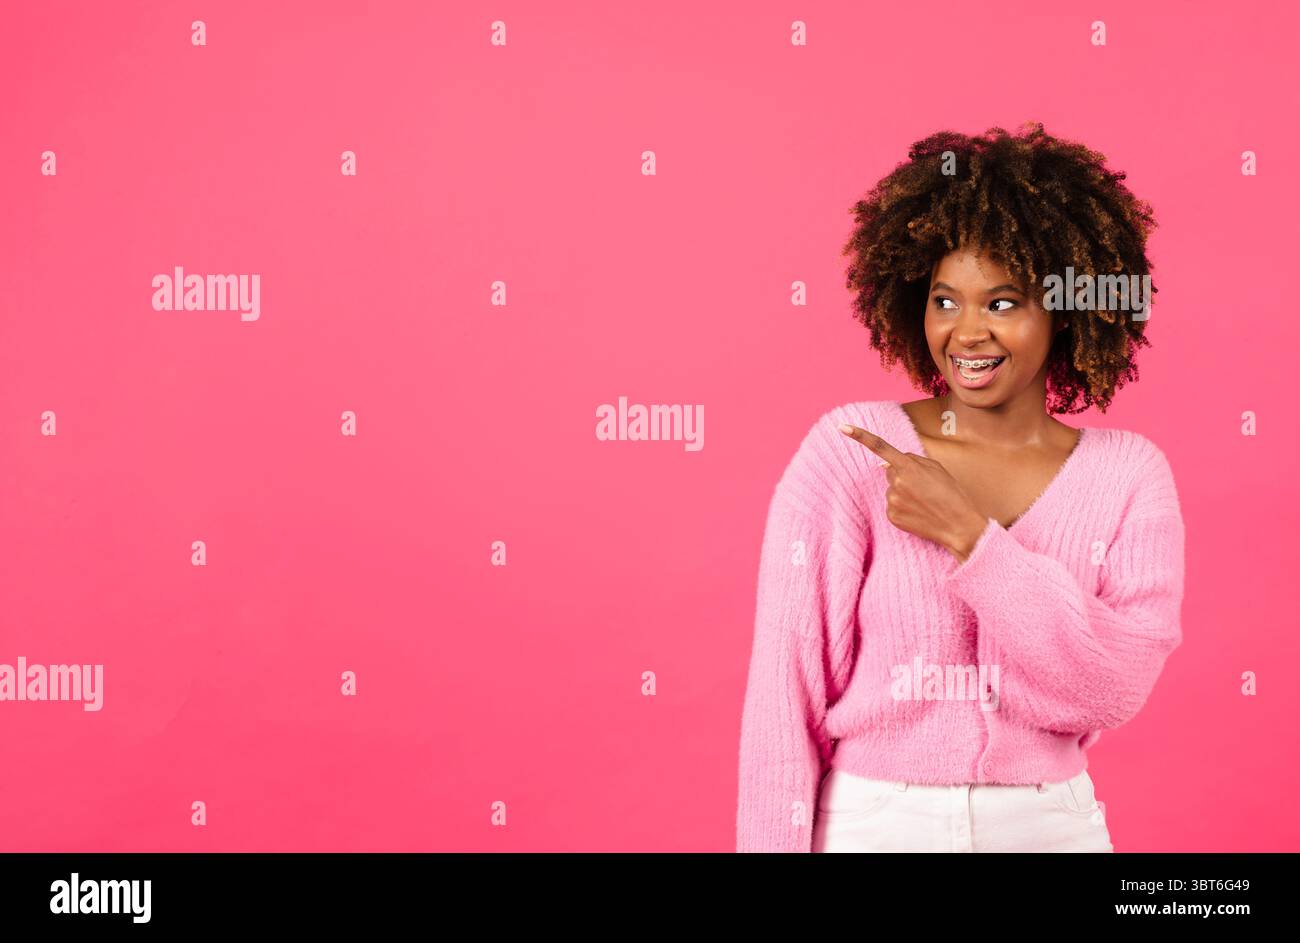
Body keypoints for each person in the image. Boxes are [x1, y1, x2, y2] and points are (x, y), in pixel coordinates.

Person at [736, 123, 1185, 853]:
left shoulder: (1129, 475)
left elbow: (1112, 686)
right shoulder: (852, 451)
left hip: (1050, 826)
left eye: (1002, 303)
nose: (966, 332)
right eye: (945, 300)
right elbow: (782, 700)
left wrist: (973, 540)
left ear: (1064, 310)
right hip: (875, 826)